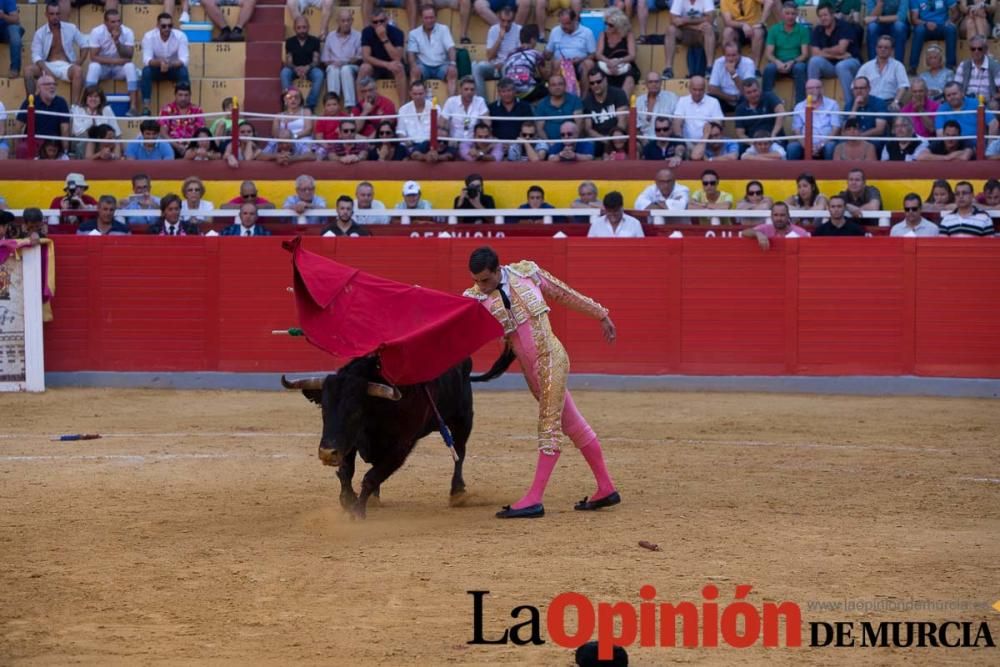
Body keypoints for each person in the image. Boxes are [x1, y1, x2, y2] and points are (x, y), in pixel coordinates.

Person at [464, 246, 619, 518]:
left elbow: (564, 293)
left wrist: (600, 314)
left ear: (498, 270)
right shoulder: (475, 297)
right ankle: (606, 488)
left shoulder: (528, 273)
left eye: (485, 280)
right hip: (532, 373)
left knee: (549, 426)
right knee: (574, 425)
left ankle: (534, 498)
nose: (481, 285)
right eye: (476, 280)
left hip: (552, 358)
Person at [25, 1, 86, 103]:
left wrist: (79, 61)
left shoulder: (71, 28)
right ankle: (31, 103)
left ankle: (75, 107)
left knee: (78, 70)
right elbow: (36, 55)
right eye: (52, 14)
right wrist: (46, 69)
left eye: (57, 14)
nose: (55, 17)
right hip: (47, 65)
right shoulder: (40, 33)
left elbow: (85, 44)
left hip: (66, 66)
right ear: (46, 15)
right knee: (28, 70)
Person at [85, 9, 139, 116]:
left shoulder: (127, 32)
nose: (117, 24)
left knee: (130, 66)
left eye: (119, 21)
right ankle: (87, 107)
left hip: (119, 69)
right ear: (105, 23)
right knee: (93, 67)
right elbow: (93, 57)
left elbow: (129, 56)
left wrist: (117, 41)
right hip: (103, 68)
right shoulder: (97, 32)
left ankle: (133, 107)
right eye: (113, 22)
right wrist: (116, 61)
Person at [807, 3, 861, 110]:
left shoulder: (844, 26)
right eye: (820, 16)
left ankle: (850, 107)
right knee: (814, 61)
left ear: (832, 15)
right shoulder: (818, 30)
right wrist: (836, 56)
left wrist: (825, 50)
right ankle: (812, 102)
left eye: (825, 15)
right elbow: (815, 53)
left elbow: (841, 49)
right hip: (831, 65)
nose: (823, 18)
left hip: (851, 62)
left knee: (841, 66)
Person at [140, 13, 190, 116]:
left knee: (183, 71)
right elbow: (146, 59)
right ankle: (146, 107)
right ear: (157, 26)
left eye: (170, 26)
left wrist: (169, 64)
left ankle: (185, 105)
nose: (167, 28)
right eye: (163, 26)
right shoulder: (149, 36)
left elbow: (184, 60)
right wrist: (160, 63)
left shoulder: (180, 36)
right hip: (156, 68)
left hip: (173, 68)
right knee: (146, 71)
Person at [358, 8, 408, 106]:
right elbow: (366, 57)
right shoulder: (367, 32)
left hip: (392, 66)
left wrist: (384, 38)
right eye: (375, 22)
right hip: (376, 65)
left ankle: (403, 106)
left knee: (399, 67)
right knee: (364, 68)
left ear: (387, 20)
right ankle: (360, 105)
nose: (379, 24)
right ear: (371, 22)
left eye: (381, 21)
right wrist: (386, 64)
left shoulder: (397, 32)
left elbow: (397, 57)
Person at [763, 1, 809, 104]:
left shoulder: (803, 30)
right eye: (787, 13)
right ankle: (767, 103)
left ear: (797, 14)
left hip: (795, 62)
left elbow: (804, 54)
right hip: (778, 62)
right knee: (769, 68)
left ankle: (799, 104)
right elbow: (768, 54)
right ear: (782, 14)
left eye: (793, 13)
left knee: (800, 68)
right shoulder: (774, 29)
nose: (790, 16)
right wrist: (777, 62)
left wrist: (792, 62)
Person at [15, 75, 70, 159]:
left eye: (54, 84)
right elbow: (18, 127)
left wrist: (65, 151)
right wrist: (17, 147)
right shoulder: (30, 101)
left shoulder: (61, 102)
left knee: (59, 154)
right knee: (23, 148)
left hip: (53, 142)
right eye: (48, 84)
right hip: (34, 141)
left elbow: (65, 129)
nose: (52, 86)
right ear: (39, 88)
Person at [472, 4, 521, 98]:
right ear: (498, 18)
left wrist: (504, 63)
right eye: (503, 21)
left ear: (513, 20)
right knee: (477, 68)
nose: (505, 24)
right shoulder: (493, 30)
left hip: (510, 67)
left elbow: (518, 56)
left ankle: (503, 103)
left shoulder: (519, 30)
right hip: (494, 66)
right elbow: (490, 56)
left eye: (509, 21)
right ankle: (483, 104)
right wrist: (499, 39)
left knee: (505, 67)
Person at [408, 5, 458, 96]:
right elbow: (411, 53)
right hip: (423, 66)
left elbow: (451, 48)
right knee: (414, 71)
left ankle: (452, 104)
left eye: (431, 17)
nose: (429, 21)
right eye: (426, 18)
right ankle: (415, 105)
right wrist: (413, 66)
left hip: (442, 65)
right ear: (422, 18)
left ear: (435, 17)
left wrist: (452, 64)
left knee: (452, 71)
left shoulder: (443, 29)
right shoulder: (414, 33)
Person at [788, 78, 841, 160]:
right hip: (805, 142)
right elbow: (796, 130)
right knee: (792, 148)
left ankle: (830, 172)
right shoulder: (799, 106)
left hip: (826, 142)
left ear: (822, 89)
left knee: (830, 147)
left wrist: (822, 144)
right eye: (809, 88)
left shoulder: (832, 104)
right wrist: (806, 145)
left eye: (816, 87)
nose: (812, 91)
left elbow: (836, 128)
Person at [662, 0, 716, 79]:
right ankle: (668, 69)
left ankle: (709, 68)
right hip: (686, 31)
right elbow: (673, 20)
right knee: (670, 30)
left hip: (702, 31)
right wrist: (695, 26)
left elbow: (710, 19)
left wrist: (685, 20)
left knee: (708, 28)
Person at [581, 68, 628, 158]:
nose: (595, 85)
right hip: (599, 139)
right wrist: (605, 140)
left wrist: (613, 139)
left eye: (598, 81)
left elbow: (622, 122)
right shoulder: (586, 101)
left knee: (635, 146)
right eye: (592, 83)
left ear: (605, 80)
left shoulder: (618, 94)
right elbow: (588, 129)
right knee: (587, 147)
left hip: (618, 138)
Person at [282, 17, 324, 112]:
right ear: (295, 28)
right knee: (284, 72)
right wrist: (296, 68)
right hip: (294, 69)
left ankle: (310, 105)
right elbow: (289, 61)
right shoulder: (290, 42)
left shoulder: (315, 41)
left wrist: (307, 68)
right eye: (299, 28)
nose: (302, 30)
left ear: (308, 27)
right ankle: (288, 102)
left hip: (310, 69)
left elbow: (316, 61)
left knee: (319, 74)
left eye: (304, 27)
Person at [323, 9, 362, 109]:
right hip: (334, 65)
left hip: (352, 66)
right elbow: (325, 59)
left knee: (345, 69)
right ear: (338, 21)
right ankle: (333, 103)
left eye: (348, 20)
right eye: (343, 21)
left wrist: (345, 62)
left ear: (352, 21)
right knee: (333, 69)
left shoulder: (358, 36)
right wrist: (334, 63)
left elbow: (360, 57)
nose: (346, 23)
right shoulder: (330, 36)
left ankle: (350, 105)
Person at [543, 8, 596, 82]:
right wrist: (546, 53)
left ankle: (584, 93)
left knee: (588, 64)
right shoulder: (555, 31)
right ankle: (557, 92)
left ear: (575, 20)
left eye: (567, 23)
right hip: (560, 63)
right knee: (556, 63)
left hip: (579, 63)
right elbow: (547, 54)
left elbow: (593, 55)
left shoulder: (587, 32)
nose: (564, 27)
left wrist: (581, 59)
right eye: (562, 23)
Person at [856, 36, 909, 108]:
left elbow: (903, 86)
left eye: (886, 47)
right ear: (876, 48)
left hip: (889, 103)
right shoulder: (866, 67)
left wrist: (895, 101)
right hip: (869, 103)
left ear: (892, 50)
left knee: (900, 117)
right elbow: (855, 86)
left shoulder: (898, 66)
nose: (882, 49)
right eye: (880, 47)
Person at [596, 8, 639, 96]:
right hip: (606, 65)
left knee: (629, 79)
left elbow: (632, 55)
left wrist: (618, 62)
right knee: (598, 77)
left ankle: (622, 105)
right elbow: (598, 54)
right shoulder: (603, 34)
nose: (607, 27)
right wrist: (609, 62)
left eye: (611, 25)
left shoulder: (628, 35)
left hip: (625, 64)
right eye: (606, 23)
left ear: (619, 25)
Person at [672, 76, 723, 149]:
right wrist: (680, 140)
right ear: (689, 89)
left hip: (708, 143)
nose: (697, 93)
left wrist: (704, 141)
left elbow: (718, 124)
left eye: (700, 90)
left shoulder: (714, 102)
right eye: (695, 89)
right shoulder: (682, 101)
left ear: (705, 89)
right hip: (687, 143)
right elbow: (677, 122)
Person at [734, 78, 785, 150]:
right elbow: (740, 134)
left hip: (773, 140)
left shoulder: (769, 96)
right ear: (744, 94)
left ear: (760, 89)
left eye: (755, 91)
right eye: (749, 92)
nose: (753, 94)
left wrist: (773, 135)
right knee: (739, 148)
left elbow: (781, 111)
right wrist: (754, 143)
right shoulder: (740, 108)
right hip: (753, 144)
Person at [70, 85, 121, 158]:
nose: (93, 99)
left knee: (115, 140)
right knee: (88, 139)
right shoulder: (78, 110)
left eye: (96, 96)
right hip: (83, 140)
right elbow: (78, 131)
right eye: (90, 96)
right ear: (86, 98)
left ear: (100, 99)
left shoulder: (107, 110)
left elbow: (117, 132)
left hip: (104, 141)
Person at [909, 0, 957, 74]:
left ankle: (950, 66)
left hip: (942, 26)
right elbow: (914, 19)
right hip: (925, 26)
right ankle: (913, 67)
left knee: (951, 29)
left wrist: (950, 20)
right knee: (919, 30)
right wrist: (926, 23)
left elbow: (955, 13)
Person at [501, 24, 547, 102]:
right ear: (532, 40)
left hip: (511, 91)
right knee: (549, 90)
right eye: (536, 40)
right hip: (527, 91)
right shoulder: (536, 53)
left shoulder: (511, 53)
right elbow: (544, 75)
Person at [741, 201, 810, 250]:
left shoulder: (800, 233)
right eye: (775, 215)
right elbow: (744, 233)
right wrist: (758, 234)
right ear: (771, 216)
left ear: (788, 216)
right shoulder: (765, 228)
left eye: (782, 215)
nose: (779, 218)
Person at [533, 73, 583, 142]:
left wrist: (572, 142)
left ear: (565, 86)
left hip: (572, 142)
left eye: (560, 84)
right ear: (549, 88)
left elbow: (579, 124)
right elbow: (539, 129)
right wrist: (550, 144)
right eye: (553, 85)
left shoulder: (575, 100)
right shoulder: (542, 104)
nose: (557, 87)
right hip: (549, 144)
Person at [708, 42, 756, 113]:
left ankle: (742, 123)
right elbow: (712, 88)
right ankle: (717, 123)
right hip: (724, 98)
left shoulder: (748, 63)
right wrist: (730, 98)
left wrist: (733, 74)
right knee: (709, 98)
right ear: (724, 55)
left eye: (734, 55)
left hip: (742, 98)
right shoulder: (718, 62)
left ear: (740, 54)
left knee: (748, 97)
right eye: (728, 55)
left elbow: (747, 90)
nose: (731, 59)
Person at [721, 0, 770, 69]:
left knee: (758, 32)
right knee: (727, 32)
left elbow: (770, 1)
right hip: (738, 27)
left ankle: (754, 68)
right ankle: (730, 66)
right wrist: (743, 25)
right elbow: (728, 21)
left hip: (755, 26)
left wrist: (762, 22)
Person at [160, 82, 205, 157]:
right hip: (171, 146)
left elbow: (201, 132)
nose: (183, 98)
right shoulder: (167, 109)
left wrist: (189, 146)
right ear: (175, 95)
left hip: (192, 146)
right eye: (180, 95)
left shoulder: (197, 110)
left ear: (190, 96)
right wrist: (177, 146)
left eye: (186, 95)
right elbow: (163, 133)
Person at [954, 34, 1000, 105]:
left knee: (994, 105)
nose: (976, 51)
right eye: (973, 49)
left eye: (980, 49)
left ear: (985, 50)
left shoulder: (994, 66)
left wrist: (994, 97)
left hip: (987, 102)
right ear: (970, 50)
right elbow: (956, 87)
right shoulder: (963, 65)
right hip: (966, 101)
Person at [442, 76, 489, 145]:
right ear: (460, 90)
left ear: (475, 91)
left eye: (472, 89)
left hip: (474, 143)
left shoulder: (480, 101)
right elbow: (441, 124)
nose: (469, 92)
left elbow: (488, 123)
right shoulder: (451, 101)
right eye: (466, 89)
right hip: (454, 143)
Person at [635, 71, 678, 141]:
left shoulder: (672, 98)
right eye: (650, 82)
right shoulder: (638, 101)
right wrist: (643, 141)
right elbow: (636, 127)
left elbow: (676, 123)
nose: (654, 84)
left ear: (661, 83)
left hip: (665, 140)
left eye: (656, 82)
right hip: (643, 140)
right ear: (646, 84)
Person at [488, 78, 533, 142]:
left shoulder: (525, 106)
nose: (507, 94)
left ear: (515, 91)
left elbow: (530, 127)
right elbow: (488, 129)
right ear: (499, 93)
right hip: (498, 144)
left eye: (509, 90)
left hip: (521, 143)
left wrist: (517, 143)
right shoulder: (491, 107)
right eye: (503, 91)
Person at [0, 0, 23, 80]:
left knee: (14, 29)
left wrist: (3, 16)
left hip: (6, 30)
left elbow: (16, 19)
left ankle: (14, 69)